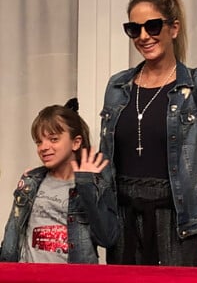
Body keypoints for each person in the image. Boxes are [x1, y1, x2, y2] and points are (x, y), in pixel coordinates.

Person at [99, 0, 197, 266]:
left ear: (174, 28)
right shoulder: (117, 86)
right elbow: (106, 159)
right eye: (134, 29)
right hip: (124, 221)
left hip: (181, 222)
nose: (144, 36)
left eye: (153, 25)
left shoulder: (196, 84)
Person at [0, 99, 119, 264]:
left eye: (53, 139)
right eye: (39, 142)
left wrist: (86, 185)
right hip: (29, 281)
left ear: (76, 143)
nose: (43, 147)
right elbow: (12, 235)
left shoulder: (94, 185)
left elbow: (107, 238)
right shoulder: (31, 182)